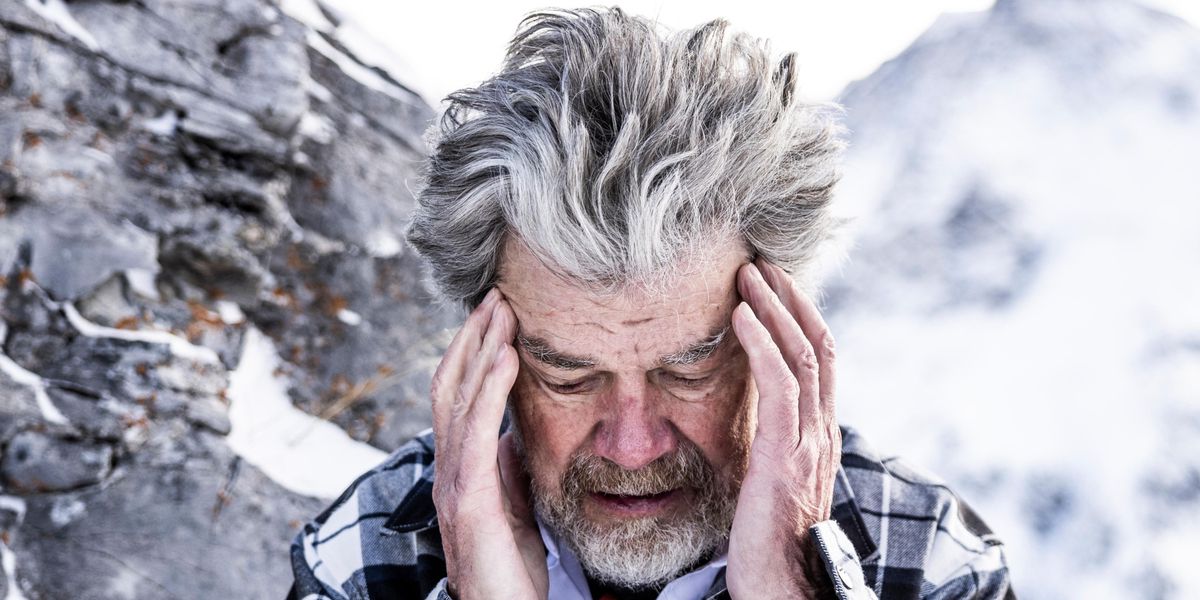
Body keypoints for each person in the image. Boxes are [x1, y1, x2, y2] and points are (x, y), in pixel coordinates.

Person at [288, 8, 1013, 600]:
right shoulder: (366, 549)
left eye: (690, 369)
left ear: (784, 339)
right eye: (568, 376)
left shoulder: (931, 562)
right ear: (486, 356)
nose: (633, 446)